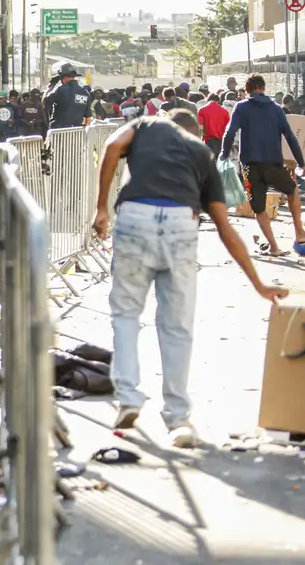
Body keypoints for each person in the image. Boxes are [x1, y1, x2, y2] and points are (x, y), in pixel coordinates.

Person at [93, 109, 287, 448]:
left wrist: (101, 209)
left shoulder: (148, 125)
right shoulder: (201, 153)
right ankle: (177, 419)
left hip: (136, 217)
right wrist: (258, 283)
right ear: (195, 132)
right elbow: (225, 227)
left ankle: (129, 397)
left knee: (126, 313)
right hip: (182, 223)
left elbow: (111, 147)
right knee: (177, 326)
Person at [220, 74, 305, 256]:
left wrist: (223, 155)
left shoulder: (241, 107)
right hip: (273, 163)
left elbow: (229, 133)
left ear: (248, 90)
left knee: (259, 208)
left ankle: (274, 247)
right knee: (291, 189)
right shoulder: (276, 109)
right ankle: (299, 232)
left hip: (250, 167)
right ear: (264, 88)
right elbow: (290, 137)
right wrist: (301, 162)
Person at [44, 63, 93, 129]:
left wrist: (52, 85)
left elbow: (44, 101)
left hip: (58, 133)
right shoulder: (85, 93)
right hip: (76, 133)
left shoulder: (60, 90)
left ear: (62, 77)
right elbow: (88, 120)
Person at [197, 91, 230, 160]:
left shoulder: (202, 110)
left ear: (208, 100)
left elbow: (200, 128)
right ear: (218, 101)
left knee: (209, 163)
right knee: (220, 163)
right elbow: (228, 128)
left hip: (208, 141)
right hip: (221, 141)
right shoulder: (224, 111)